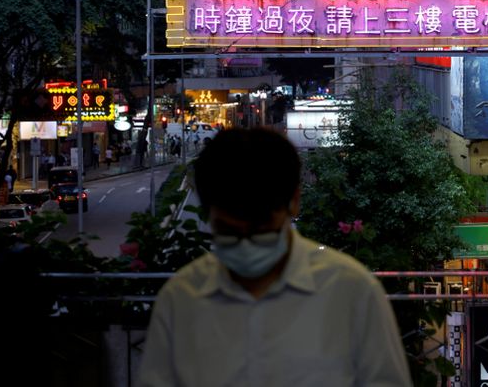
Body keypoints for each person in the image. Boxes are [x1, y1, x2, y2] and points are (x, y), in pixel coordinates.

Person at [137, 128, 412, 386]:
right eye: (230, 230)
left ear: (294, 201)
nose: (247, 241)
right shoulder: (181, 300)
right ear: (207, 213)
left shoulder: (352, 291)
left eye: (260, 226)